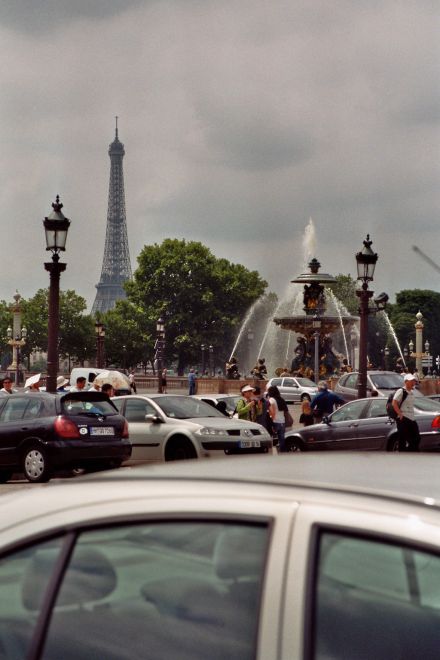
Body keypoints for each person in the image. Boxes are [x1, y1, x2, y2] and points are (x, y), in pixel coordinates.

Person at [392, 373, 420, 452]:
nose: (413, 383)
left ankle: (412, 453)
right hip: (403, 418)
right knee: (403, 439)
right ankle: (403, 456)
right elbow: (394, 403)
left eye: (414, 381)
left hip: (411, 418)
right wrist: (400, 414)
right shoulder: (401, 391)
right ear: (406, 382)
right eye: (411, 381)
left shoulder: (411, 392)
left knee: (416, 438)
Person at [267, 385, 288, 452]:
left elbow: (272, 412)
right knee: (282, 439)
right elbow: (285, 412)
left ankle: (274, 453)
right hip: (282, 422)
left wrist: (271, 422)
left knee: (273, 440)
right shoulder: (281, 399)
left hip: (275, 421)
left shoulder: (271, 400)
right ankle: (283, 453)